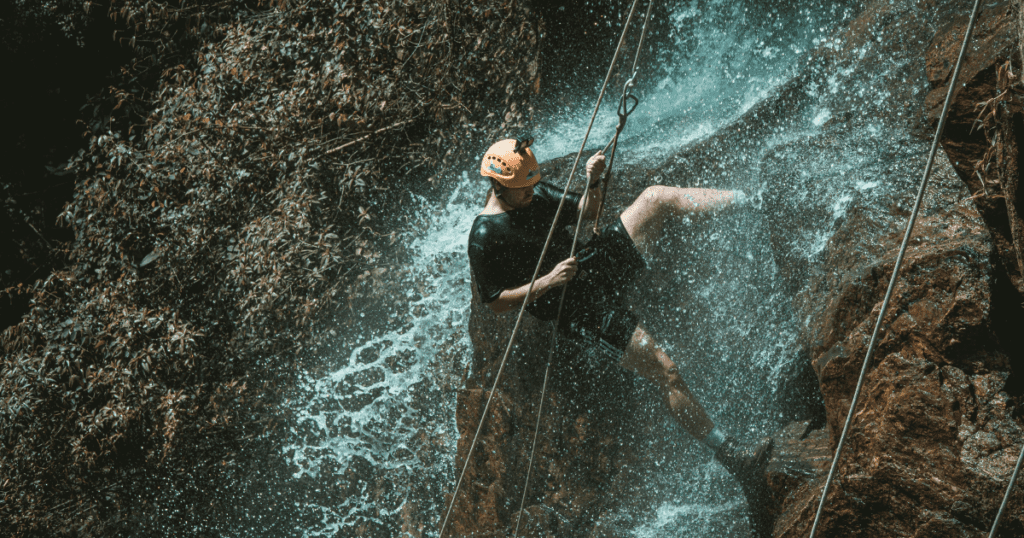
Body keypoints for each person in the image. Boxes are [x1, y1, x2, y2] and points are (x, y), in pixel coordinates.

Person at [467, 137, 773, 487]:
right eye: (524, 189)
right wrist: (548, 281)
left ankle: (756, 200)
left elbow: (588, 211)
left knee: (655, 198)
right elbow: (495, 301)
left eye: (533, 186)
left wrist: (593, 181)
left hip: (591, 265)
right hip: (579, 310)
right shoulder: (485, 235)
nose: (532, 194)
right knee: (666, 370)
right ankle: (732, 455)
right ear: (498, 185)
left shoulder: (532, 193)